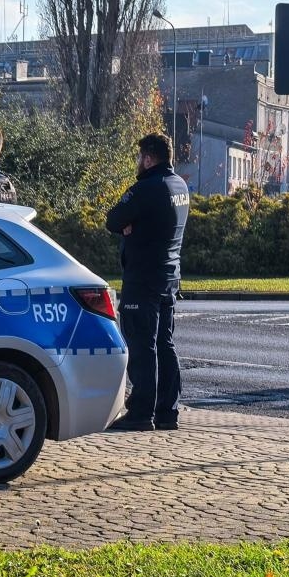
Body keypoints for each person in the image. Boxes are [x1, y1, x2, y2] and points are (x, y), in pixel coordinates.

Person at [105, 133, 189, 432]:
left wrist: (130, 225)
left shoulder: (146, 188)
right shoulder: (179, 186)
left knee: (142, 345)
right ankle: (167, 411)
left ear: (149, 158)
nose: (138, 162)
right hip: (169, 276)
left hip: (142, 277)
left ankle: (141, 411)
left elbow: (113, 220)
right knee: (164, 343)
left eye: (140, 157)